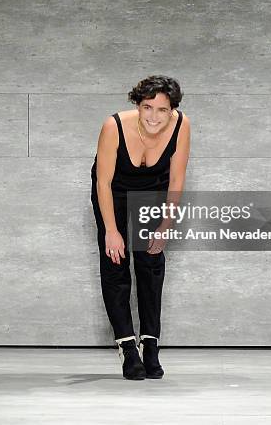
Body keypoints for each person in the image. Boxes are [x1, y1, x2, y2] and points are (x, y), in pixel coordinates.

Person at [90, 75, 191, 380]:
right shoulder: (114, 126)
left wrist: (165, 226)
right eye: (148, 107)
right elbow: (103, 183)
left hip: (154, 189)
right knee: (115, 260)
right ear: (138, 104)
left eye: (163, 110)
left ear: (172, 110)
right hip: (114, 189)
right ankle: (127, 348)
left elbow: (176, 181)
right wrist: (111, 230)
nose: (154, 117)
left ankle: (150, 344)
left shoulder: (182, 125)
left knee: (150, 261)